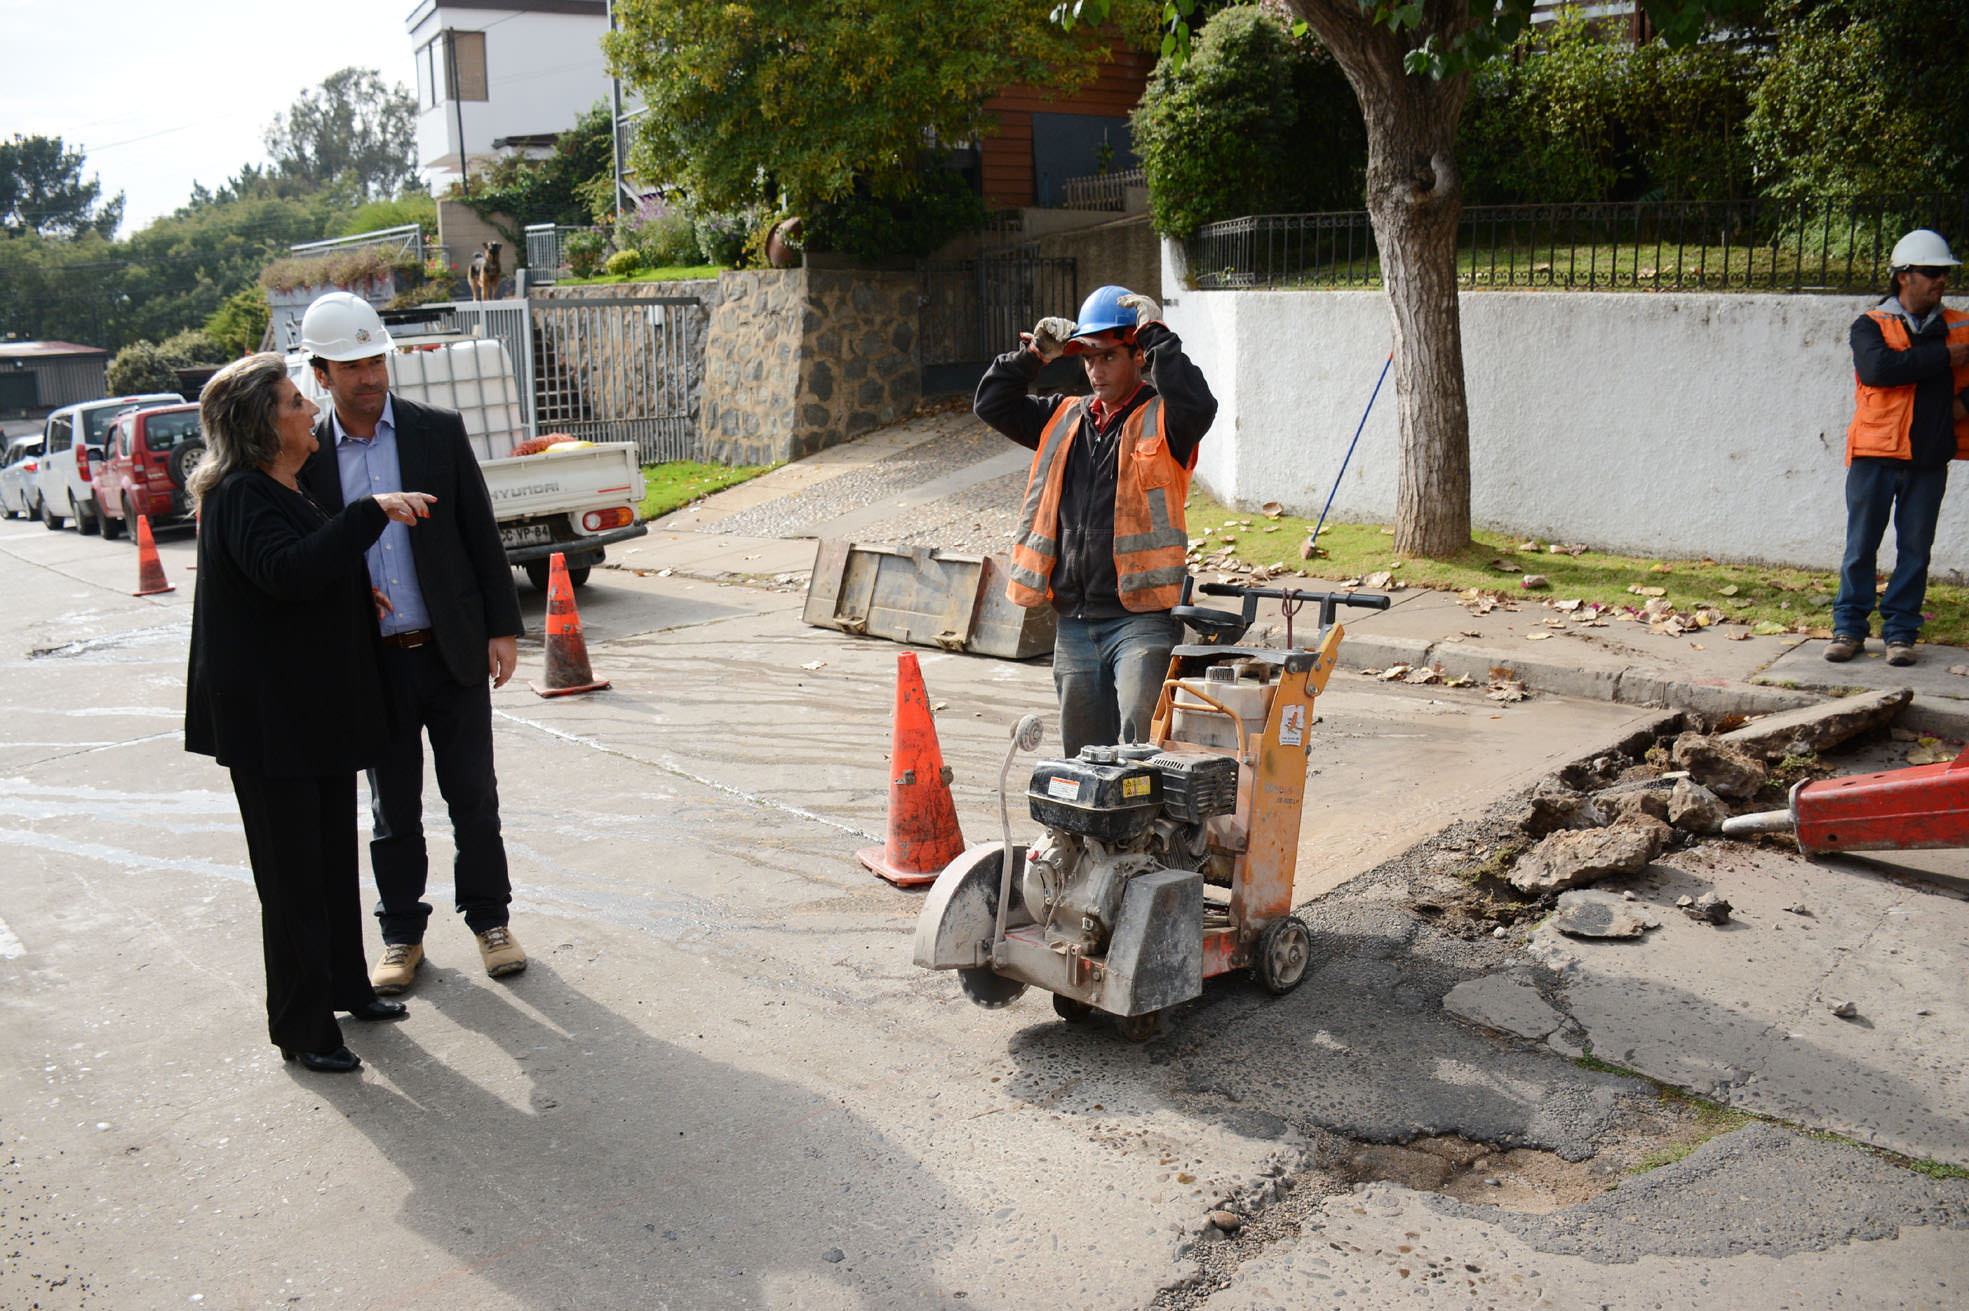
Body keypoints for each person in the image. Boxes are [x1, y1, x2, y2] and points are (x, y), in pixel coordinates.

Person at [184, 352, 437, 1073]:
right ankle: (302, 1027)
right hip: (271, 727)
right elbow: (285, 573)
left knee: (328, 864)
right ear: (262, 425)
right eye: (295, 402)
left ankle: (345, 988)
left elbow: (302, 571)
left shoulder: (281, 487)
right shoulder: (241, 494)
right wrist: (369, 512)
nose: (309, 412)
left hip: (310, 716)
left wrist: (358, 592)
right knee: (293, 880)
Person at [296, 292, 528, 994]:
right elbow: (308, 554)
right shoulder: (307, 458)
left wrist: (501, 627)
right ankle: (401, 934)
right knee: (392, 812)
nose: (369, 377)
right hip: (371, 664)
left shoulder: (435, 432)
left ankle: (491, 921)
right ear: (321, 374)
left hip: (450, 650)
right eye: (351, 367)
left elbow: (478, 531)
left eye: (375, 361)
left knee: (473, 798)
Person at [975, 284, 1218, 756]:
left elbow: (1198, 403)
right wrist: (1033, 356)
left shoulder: (1167, 420)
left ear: (1137, 357)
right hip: (1076, 622)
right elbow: (992, 403)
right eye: (1088, 358)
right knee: (1085, 758)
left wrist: (1157, 335)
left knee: (1142, 751)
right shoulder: (1064, 416)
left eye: (1108, 356)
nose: (1095, 369)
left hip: (1142, 620)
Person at [1827, 230, 1969, 667]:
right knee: (1860, 547)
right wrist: (1945, 358)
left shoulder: (1959, 325)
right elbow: (1877, 369)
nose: (1941, 280)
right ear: (1904, 276)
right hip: (1874, 455)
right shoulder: (1870, 324)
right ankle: (1848, 629)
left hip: (1929, 456)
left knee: (1916, 551)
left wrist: (1959, 406)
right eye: (1931, 272)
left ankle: (1901, 634)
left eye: (1943, 273)